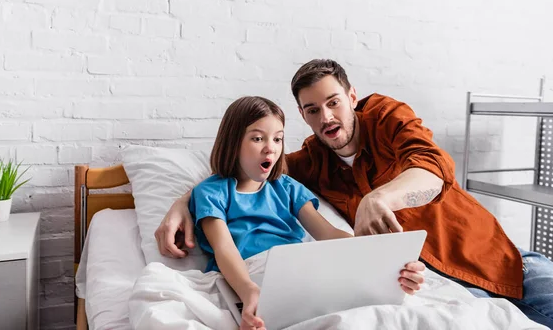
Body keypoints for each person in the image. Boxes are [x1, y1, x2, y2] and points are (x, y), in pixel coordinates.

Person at [156, 59, 553, 328]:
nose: (326, 117)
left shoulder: (386, 117)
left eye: (333, 103)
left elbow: (433, 166)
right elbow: (246, 171)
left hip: (488, 259)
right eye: (312, 110)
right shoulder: (308, 162)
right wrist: (183, 201)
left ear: (352, 97)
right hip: (415, 276)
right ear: (303, 115)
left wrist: (378, 199)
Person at [189, 95, 426, 330]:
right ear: (233, 142)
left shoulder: (287, 187)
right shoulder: (211, 192)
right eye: (258, 138)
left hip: (298, 270)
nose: (270, 148)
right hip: (247, 274)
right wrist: (248, 290)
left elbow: (328, 234)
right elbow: (224, 250)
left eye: (278, 139)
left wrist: (382, 260)